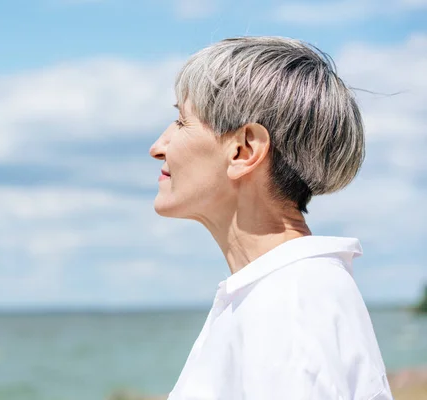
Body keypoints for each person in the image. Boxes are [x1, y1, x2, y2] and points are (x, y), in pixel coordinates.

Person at [149, 37, 393, 400]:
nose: (158, 147)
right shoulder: (281, 292)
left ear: (244, 149)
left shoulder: (288, 303)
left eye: (181, 122)